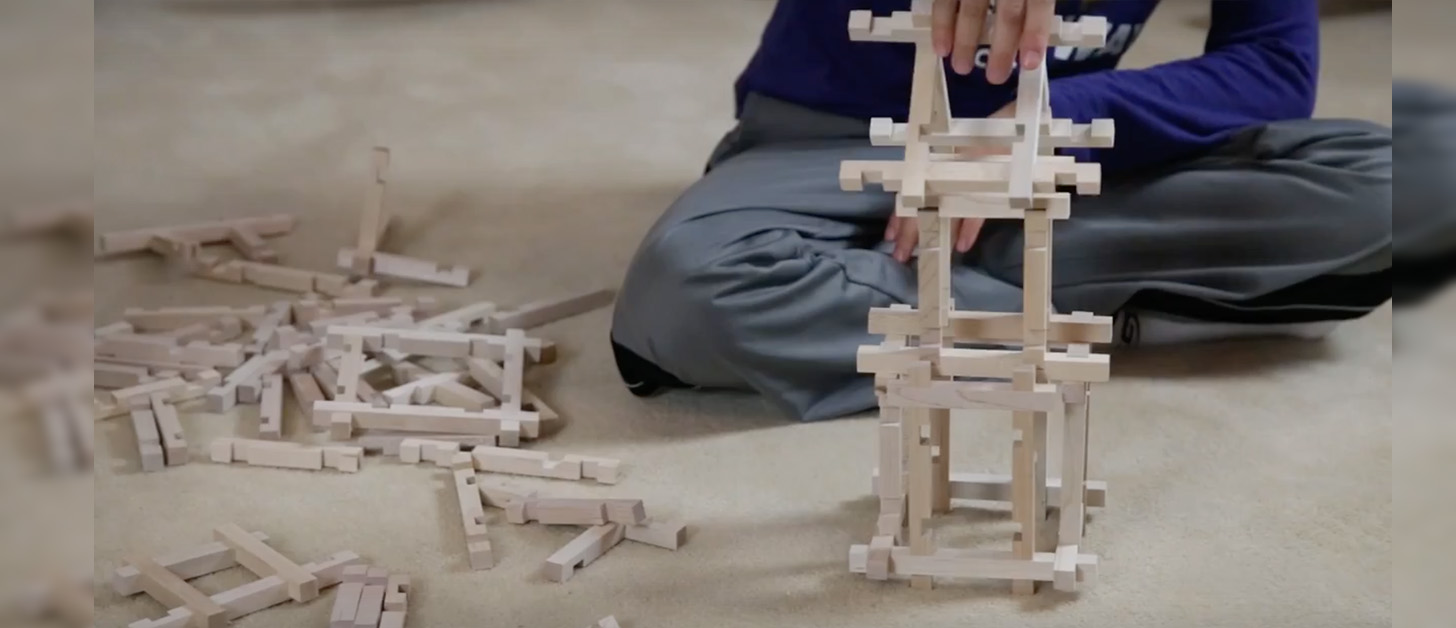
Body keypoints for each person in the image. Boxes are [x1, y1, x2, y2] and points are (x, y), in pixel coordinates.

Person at [609, 0, 1395, 421]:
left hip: (1049, 143)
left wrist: (1046, 127)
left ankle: (933, 280)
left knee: (1395, 181)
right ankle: (1118, 309)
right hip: (830, 143)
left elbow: (1272, 65)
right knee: (687, 288)